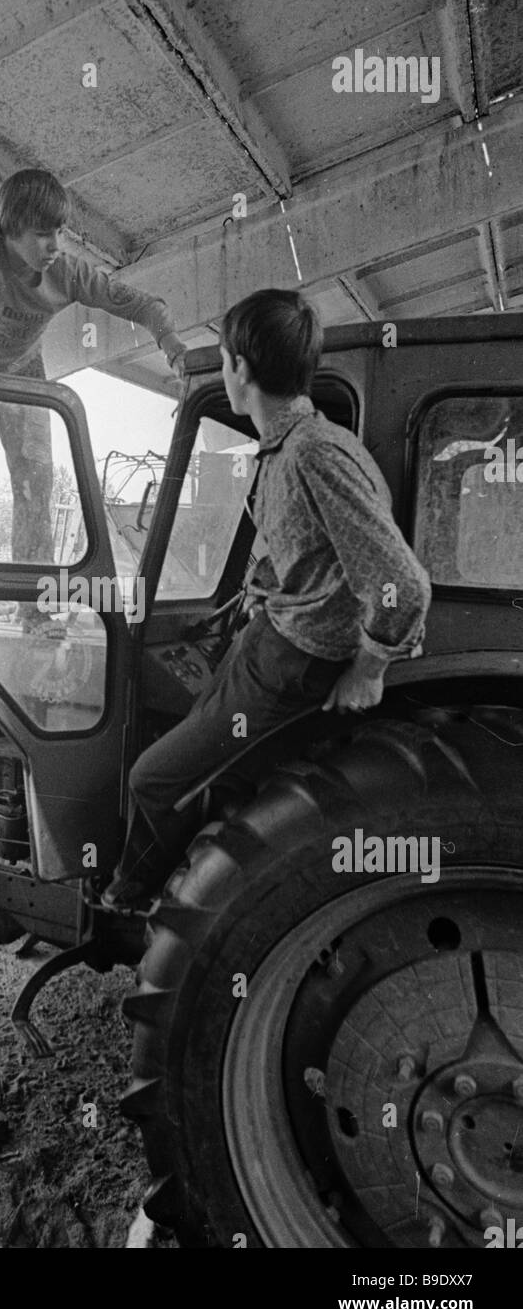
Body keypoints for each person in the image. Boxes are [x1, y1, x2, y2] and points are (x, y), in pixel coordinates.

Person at [102, 288, 432, 910]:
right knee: (200, 760)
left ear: (240, 368)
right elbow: (319, 554)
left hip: (290, 666)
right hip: (271, 645)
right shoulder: (293, 448)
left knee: (153, 777)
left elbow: (401, 583)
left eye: (225, 357)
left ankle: (133, 897)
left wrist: (370, 667)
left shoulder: (313, 454)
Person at [0, 168, 187, 562]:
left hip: (25, 374)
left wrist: (174, 347)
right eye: (43, 234)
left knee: (35, 484)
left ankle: (34, 607)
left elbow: (144, 304)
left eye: (60, 232)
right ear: (11, 228)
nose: (54, 245)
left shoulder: (67, 273)